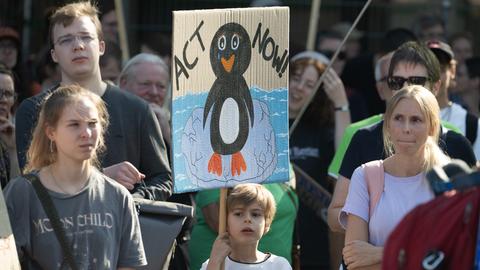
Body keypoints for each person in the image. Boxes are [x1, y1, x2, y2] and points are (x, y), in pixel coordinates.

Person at [15, 2, 172, 200]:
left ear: (101, 46)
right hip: (59, 228)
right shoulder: (34, 110)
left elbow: (162, 178)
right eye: (65, 40)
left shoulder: (137, 109)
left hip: (125, 228)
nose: (78, 45)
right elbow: (31, 181)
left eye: (86, 37)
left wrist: (135, 200)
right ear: (54, 54)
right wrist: (101, 178)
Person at [327, 41, 477, 233]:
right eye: (397, 82)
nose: (406, 88)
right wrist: (371, 225)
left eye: (416, 81)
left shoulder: (456, 144)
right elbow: (335, 215)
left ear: (436, 86)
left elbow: (470, 219)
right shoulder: (362, 138)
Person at [4, 84, 146, 269]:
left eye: (92, 124)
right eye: (74, 125)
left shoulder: (118, 196)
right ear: (51, 132)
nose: (86, 133)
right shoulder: (21, 193)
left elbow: (129, 265)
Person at [341, 85, 450, 269]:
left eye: (416, 120)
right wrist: (417, 256)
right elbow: (354, 262)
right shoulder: (365, 176)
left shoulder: (449, 178)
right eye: (399, 118)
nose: (406, 128)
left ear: (432, 127)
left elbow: (451, 257)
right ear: (388, 125)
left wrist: (380, 253)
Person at [289, 51, 350, 270]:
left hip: (313, 238)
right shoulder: (263, 122)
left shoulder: (320, 128)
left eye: (309, 84)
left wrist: (341, 103)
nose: (299, 88)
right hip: (270, 235)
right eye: (296, 79)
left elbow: (345, 158)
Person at [200, 183, 291, 270]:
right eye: (238, 214)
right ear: (226, 223)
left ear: (266, 224)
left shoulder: (279, 265)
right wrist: (215, 262)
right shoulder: (212, 264)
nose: (248, 219)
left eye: (255, 214)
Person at [427, 40, 480, 159]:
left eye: (440, 69)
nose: (433, 76)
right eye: (427, 68)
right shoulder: (403, 119)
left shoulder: (472, 124)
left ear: (452, 71)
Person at [0, 64, 19, 187]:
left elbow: (17, 192)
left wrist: (13, 149)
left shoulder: (19, 133)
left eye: (8, 94)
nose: (4, 99)